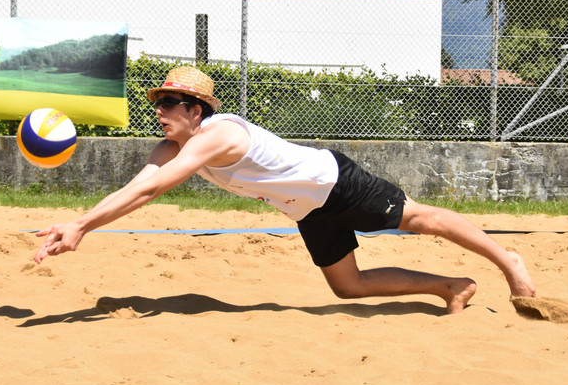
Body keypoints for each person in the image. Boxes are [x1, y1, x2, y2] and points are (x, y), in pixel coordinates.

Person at [35, 66, 536, 314]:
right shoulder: (172, 147)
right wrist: (80, 224)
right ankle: (450, 287)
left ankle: (508, 261)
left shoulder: (219, 134)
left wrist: (82, 226)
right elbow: (138, 187)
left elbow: (154, 189)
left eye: (169, 103)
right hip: (308, 211)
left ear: (196, 110)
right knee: (348, 287)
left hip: (333, 183)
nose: (159, 110)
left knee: (420, 218)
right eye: (158, 102)